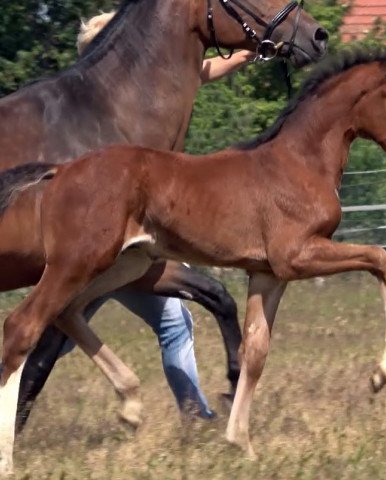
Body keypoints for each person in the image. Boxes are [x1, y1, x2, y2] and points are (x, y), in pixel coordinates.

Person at [58, 11, 256, 420]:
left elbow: (204, 68)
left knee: (56, 332)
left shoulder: (101, 107)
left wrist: (251, 47)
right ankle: (195, 415)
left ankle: (194, 414)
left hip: (120, 243)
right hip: (120, 245)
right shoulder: (129, 111)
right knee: (59, 332)